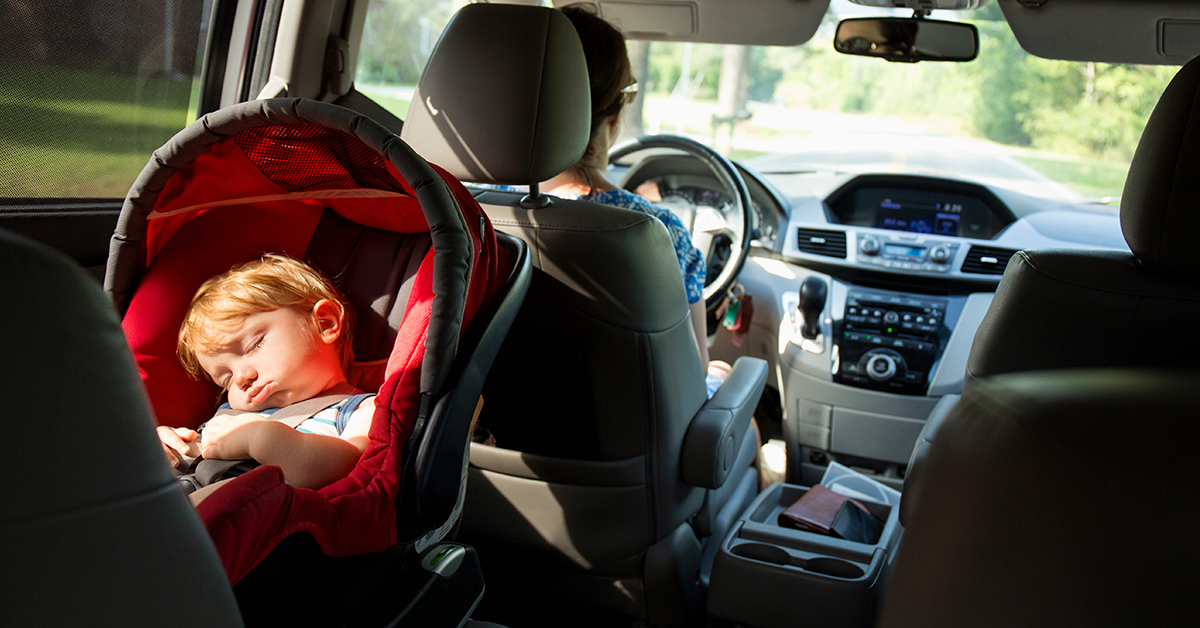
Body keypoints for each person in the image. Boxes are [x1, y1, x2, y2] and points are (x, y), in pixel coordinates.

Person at [552, 5, 728, 396]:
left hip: (501, 440)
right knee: (727, 378)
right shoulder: (661, 232)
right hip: (633, 450)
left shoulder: (474, 214)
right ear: (613, 117)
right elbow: (692, 377)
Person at [157, 254, 375, 494]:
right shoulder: (232, 415)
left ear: (324, 323)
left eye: (254, 346)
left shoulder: (363, 410)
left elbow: (349, 470)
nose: (241, 378)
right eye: (225, 380)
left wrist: (258, 438)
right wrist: (168, 448)